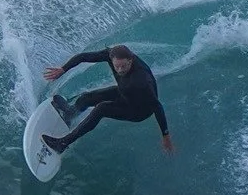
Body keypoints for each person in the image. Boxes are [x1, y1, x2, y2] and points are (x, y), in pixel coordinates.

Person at [41, 44, 175, 156]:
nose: (120, 70)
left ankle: (63, 143)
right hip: (125, 92)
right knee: (88, 97)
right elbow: (83, 57)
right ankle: (71, 113)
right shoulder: (110, 55)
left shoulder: (142, 81)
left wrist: (165, 135)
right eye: (117, 66)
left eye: (124, 66)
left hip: (138, 110)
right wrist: (63, 69)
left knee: (102, 108)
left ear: (131, 60)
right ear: (111, 59)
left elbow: (157, 106)